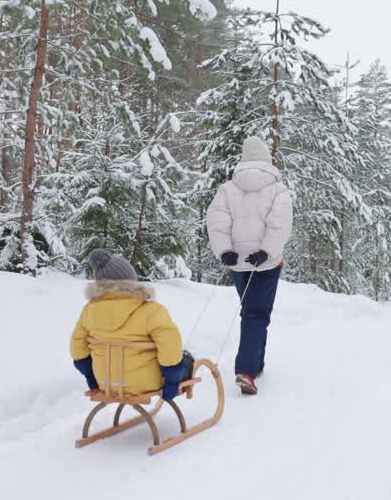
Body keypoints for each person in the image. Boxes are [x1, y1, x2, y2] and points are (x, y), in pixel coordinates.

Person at [205, 136, 293, 395]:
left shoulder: (227, 188)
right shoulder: (278, 189)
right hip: (265, 263)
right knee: (256, 314)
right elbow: (280, 224)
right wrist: (266, 251)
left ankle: (256, 364)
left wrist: (225, 252)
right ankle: (245, 370)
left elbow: (217, 222)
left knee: (251, 311)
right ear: (266, 159)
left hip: (238, 263)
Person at [69, 249, 193, 400]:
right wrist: (172, 381)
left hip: (105, 382)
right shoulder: (151, 310)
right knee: (186, 358)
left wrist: (91, 377)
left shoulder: (89, 311)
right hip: (147, 383)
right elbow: (169, 344)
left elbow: (77, 348)